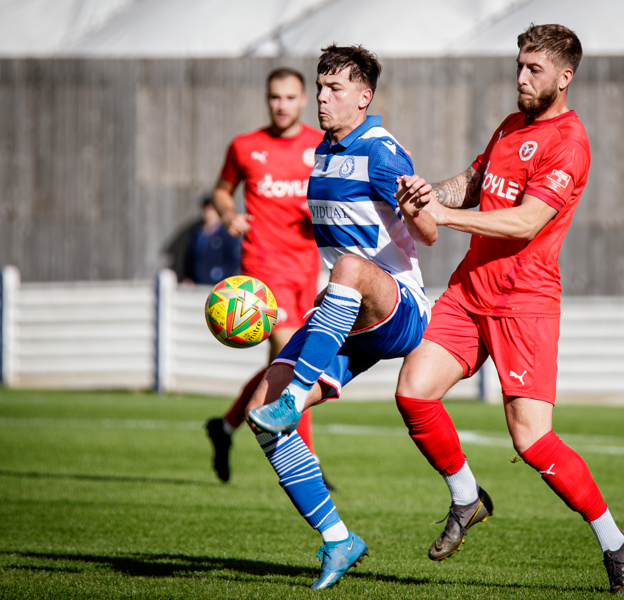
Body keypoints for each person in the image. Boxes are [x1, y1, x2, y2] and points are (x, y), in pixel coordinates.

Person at [393, 24, 624, 595]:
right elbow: (476, 181)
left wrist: (446, 217)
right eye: (520, 66)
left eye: (534, 69)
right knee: (413, 391)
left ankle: (613, 541)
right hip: (469, 291)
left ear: (564, 75)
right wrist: (426, 191)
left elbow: (526, 221)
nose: (521, 78)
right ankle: (466, 498)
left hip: (523, 302)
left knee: (530, 440)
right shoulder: (512, 125)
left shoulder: (569, 143)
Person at [244, 44, 436, 590]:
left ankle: (295, 397)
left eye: (334, 89)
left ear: (364, 96)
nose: (322, 99)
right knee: (262, 413)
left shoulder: (381, 151)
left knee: (349, 267)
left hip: (399, 305)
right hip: (345, 314)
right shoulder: (325, 152)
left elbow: (429, 233)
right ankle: (337, 539)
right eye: (321, 87)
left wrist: (418, 205)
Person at [204, 67, 325, 485]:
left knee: (283, 362)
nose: (282, 105)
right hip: (262, 269)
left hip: (307, 268)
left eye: (290, 97)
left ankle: (225, 426)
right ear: (266, 98)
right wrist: (228, 213)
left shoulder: (321, 145)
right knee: (294, 358)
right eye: (275, 97)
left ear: (304, 100)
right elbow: (222, 189)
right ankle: (307, 462)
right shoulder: (245, 146)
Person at [183, 195, 241, 285]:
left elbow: (234, 261)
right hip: (198, 285)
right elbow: (189, 259)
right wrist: (189, 278)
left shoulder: (227, 233)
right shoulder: (197, 233)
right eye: (206, 208)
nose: (208, 212)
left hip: (220, 286)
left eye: (211, 208)